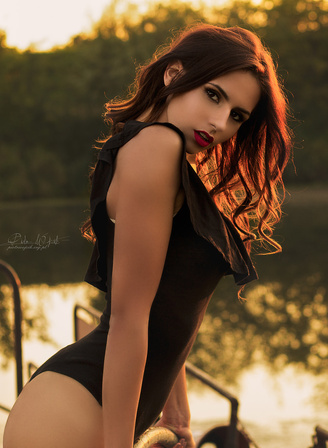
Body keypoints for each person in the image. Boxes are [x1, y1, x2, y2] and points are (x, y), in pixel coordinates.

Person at [3, 24, 291, 448]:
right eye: (214, 95)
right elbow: (127, 319)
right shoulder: (156, 147)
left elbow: (164, 308)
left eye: (237, 116)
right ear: (174, 75)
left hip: (88, 411)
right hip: (70, 417)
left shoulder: (150, 150)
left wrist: (178, 415)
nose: (220, 122)